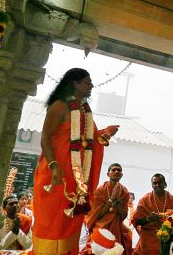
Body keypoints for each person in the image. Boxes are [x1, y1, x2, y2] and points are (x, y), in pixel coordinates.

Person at [32, 68, 120, 255]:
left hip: (77, 180)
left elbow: (89, 140)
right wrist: (54, 166)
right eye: (87, 82)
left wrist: (106, 133)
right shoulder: (59, 107)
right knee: (51, 222)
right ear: (75, 83)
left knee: (70, 222)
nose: (91, 86)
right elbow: (45, 139)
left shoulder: (84, 111)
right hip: (55, 177)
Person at [82, 163, 132, 255]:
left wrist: (119, 201)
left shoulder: (124, 192)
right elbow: (96, 215)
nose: (116, 171)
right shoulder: (100, 190)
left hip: (116, 227)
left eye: (119, 170)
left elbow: (123, 216)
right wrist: (111, 200)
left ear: (121, 175)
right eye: (113, 170)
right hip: (100, 226)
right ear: (108, 174)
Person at [132, 174, 173, 255]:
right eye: (154, 183)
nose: (157, 185)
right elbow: (136, 221)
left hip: (165, 237)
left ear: (165, 184)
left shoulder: (172, 200)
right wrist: (148, 219)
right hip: (148, 237)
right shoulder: (145, 200)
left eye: (159, 182)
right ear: (152, 185)